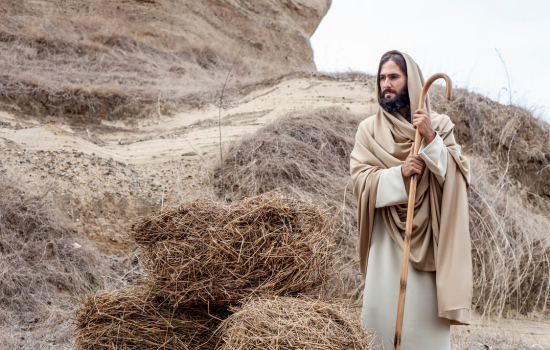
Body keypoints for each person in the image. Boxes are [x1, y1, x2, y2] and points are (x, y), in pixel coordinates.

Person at [350, 51, 472, 350]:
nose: (386, 84)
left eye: (394, 77)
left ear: (412, 82)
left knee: (423, 333)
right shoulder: (369, 130)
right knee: (379, 330)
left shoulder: (440, 125)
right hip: (385, 247)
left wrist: (431, 139)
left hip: (428, 244)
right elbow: (360, 182)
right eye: (382, 78)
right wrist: (399, 174)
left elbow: (455, 177)